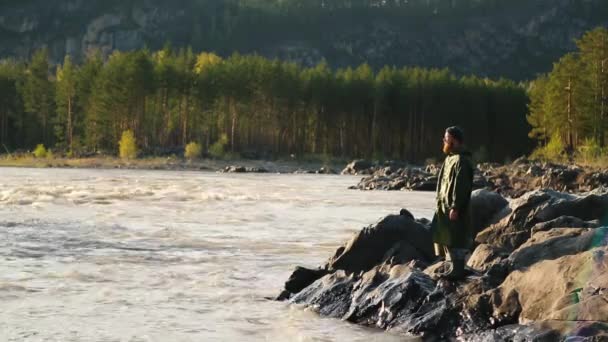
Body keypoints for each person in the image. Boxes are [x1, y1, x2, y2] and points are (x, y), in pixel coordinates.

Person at [432, 126, 474, 280]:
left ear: (454, 141)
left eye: (446, 138)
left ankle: (457, 270)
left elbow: (461, 186)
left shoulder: (462, 160)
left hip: (454, 208)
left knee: (456, 237)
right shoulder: (450, 158)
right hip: (443, 205)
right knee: (444, 236)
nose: (444, 141)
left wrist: (455, 207)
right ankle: (449, 266)